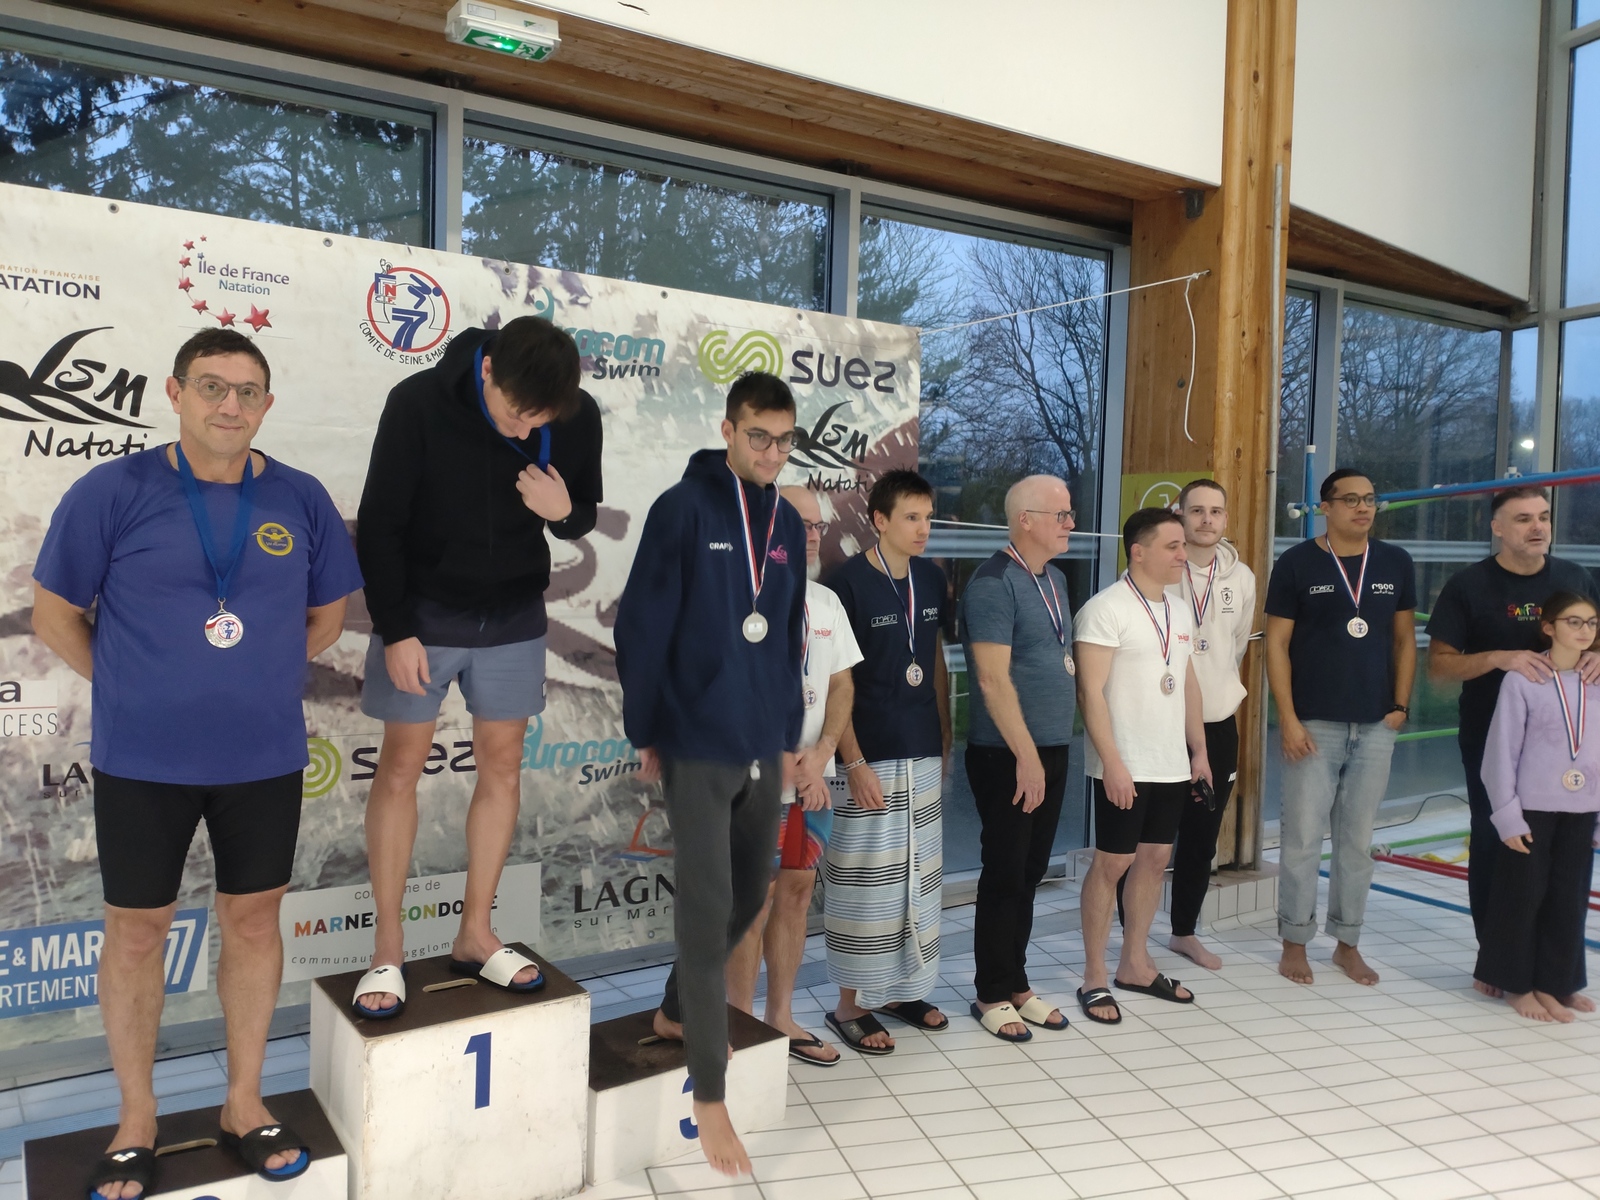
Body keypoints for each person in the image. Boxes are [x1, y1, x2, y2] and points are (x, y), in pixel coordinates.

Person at [31, 329, 363, 1200]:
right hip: (143, 760)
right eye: (212, 386)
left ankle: (243, 1102)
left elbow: (327, 617)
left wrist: (254, 678)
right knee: (138, 932)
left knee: (253, 922)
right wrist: (136, 685)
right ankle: (137, 1117)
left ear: (267, 405)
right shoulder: (113, 492)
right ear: (176, 393)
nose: (230, 405)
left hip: (263, 757)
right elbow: (55, 614)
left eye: (248, 391)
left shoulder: (300, 497)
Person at [352, 316, 602, 1017]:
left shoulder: (574, 414)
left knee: (503, 767)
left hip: (515, 614)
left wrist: (565, 513)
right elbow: (380, 523)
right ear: (487, 369)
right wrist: (396, 628)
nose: (525, 429)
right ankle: (388, 949)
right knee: (400, 769)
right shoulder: (418, 402)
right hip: (424, 616)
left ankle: (475, 933)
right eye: (516, 413)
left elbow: (580, 514)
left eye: (539, 419)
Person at [613, 371, 805, 1177]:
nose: (771, 453)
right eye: (758, 436)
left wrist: (788, 733)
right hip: (696, 737)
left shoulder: (787, 521)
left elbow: (787, 632)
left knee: (750, 895)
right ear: (728, 430)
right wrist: (647, 727)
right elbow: (642, 624)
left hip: (761, 739)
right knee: (705, 909)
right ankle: (710, 1095)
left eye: (784, 441)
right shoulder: (683, 508)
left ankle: (672, 1009)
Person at [1426, 486, 1600, 994]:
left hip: (1566, 746)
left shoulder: (1574, 577)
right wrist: (1499, 658)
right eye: (1523, 518)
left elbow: (1593, 637)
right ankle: (1498, 965)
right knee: (1497, 843)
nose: (1538, 526)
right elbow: (1440, 667)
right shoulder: (1468, 585)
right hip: (1493, 737)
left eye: (1543, 516)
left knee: (1564, 859)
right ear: (1497, 528)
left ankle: (1551, 971)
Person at [1265, 467, 1416, 986]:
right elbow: (1277, 645)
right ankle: (1295, 942)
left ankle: (1347, 943)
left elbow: (1404, 640)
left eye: (1370, 499)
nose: (1363, 507)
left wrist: (1401, 705)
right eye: (1350, 499)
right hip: (1313, 724)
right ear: (1325, 507)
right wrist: (1287, 719)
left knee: (1357, 842)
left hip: (1376, 724)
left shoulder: (1395, 561)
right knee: (1303, 839)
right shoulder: (1297, 563)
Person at [726, 486, 861, 1067]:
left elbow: (841, 683)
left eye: (816, 526)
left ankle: (779, 1015)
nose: (810, 535)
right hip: (752, 780)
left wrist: (824, 751)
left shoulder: (826, 602)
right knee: (749, 903)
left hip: (811, 782)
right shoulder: (736, 596)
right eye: (797, 523)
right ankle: (737, 1020)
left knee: (798, 894)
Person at [822, 469, 952, 1055]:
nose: (923, 529)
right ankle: (850, 1003)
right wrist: (852, 761)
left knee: (918, 878)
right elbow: (836, 681)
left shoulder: (931, 577)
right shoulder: (845, 583)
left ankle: (903, 990)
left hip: (919, 748)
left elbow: (935, 659)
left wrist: (944, 737)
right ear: (879, 520)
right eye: (911, 518)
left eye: (928, 518)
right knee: (865, 881)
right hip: (866, 755)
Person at [1073, 507, 1211, 1025]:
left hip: (1170, 762)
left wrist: (1199, 751)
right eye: (1173, 546)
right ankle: (1094, 975)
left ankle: (1134, 962)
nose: (1183, 555)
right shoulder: (1105, 610)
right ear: (1138, 551)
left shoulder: (1179, 610)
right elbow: (1089, 693)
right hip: (1124, 762)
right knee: (1111, 864)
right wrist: (1112, 763)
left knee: (1154, 860)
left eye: (1183, 546)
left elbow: (1187, 682)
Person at [1115, 479, 1256, 970]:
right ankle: (1132, 940)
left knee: (1202, 836)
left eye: (1216, 511)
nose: (1206, 520)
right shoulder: (1160, 570)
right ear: (1179, 513)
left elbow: (1235, 646)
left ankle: (1184, 932)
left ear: (1226, 518)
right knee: (1143, 841)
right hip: (1159, 725)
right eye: (1196, 510)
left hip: (1216, 724)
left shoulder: (1242, 579)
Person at [959, 475, 1077, 1041]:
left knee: (1030, 872)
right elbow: (991, 679)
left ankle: (1017, 982)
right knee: (1005, 872)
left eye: (1070, 514)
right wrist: (1026, 756)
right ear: (1025, 520)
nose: (1071, 523)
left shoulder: (1055, 579)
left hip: (1050, 747)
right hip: (1007, 754)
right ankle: (989, 991)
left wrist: (1043, 753)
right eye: (1061, 515)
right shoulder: (993, 583)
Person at [1475, 590, 1600, 1023]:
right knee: (1522, 896)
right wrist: (1507, 815)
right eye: (1573, 622)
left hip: (1583, 808)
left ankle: (1556, 983)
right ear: (1548, 627)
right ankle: (1517, 985)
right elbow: (1500, 753)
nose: (1584, 631)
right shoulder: (1523, 680)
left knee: (1569, 898)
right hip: (1532, 810)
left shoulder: (1597, 680)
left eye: (1591, 623)